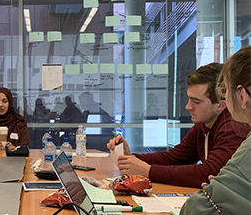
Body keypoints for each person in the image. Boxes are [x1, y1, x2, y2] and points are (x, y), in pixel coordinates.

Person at [107, 62, 249, 187]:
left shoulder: (234, 126)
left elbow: (208, 172)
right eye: (189, 99)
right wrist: (130, 157)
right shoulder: (203, 125)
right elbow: (174, 158)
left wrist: (149, 171)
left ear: (221, 105)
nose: (188, 106)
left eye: (196, 101)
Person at [179, 46, 251, 215]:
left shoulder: (238, 133)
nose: (225, 99)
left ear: (242, 95)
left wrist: (225, 203)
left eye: (225, 91)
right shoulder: (204, 127)